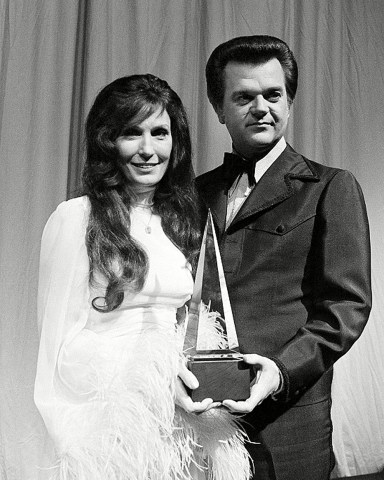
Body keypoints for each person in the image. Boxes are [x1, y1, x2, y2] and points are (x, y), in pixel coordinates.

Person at [34, 74, 251, 480]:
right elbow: (58, 349)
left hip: (181, 426)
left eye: (160, 133)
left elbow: (189, 322)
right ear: (107, 141)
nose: (148, 150)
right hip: (110, 430)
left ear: (176, 142)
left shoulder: (183, 221)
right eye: (132, 133)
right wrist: (152, 381)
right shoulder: (76, 218)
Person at [196, 35, 372, 480]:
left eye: (273, 94)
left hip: (289, 422)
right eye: (243, 97)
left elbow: (346, 308)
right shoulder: (194, 192)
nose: (261, 107)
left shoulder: (331, 187)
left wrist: (278, 372)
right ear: (220, 109)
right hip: (199, 418)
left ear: (289, 102)